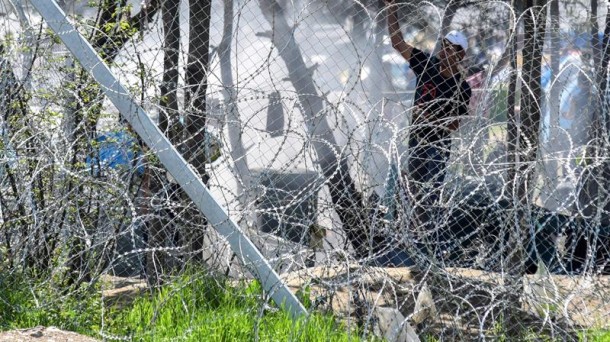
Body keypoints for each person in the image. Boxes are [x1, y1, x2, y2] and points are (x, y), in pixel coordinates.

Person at [384, 0, 472, 263]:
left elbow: (454, 124)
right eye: (444, 46)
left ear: (460, 56)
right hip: (417, 142)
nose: (446, 52)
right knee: (410, 191)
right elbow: (397, 43)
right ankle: (408, 244)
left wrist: (430, 118)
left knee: (428, 198)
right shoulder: (426, 64)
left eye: (452, 49)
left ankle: (423, 249)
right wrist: (391, 10)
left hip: (437, 148)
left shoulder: (461, 87)